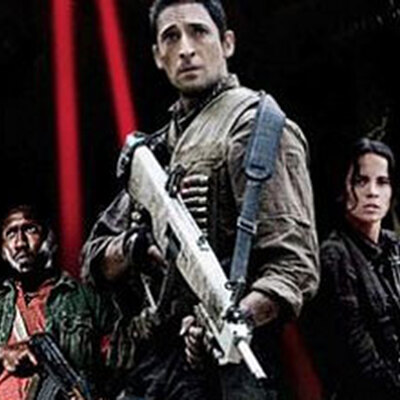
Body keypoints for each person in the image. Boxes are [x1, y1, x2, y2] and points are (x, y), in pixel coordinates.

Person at [81, 0, 319, 398]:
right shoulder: (157, 149)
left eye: (199, 31)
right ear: (158, 56)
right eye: (171, 37)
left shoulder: (255, 127)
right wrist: (135, 247)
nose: (186, 49)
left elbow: (293, 266)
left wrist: (234, 318)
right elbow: (92, 259)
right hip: (154, 361)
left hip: (228, 368)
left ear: (227, 43)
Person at [309, 138, 400, 399]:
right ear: (344, 188)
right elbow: (358, 359)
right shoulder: (335, 256)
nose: (372, 192)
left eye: (382, 182)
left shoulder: (393, 246)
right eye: (361, 181)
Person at [0, 205, 116, 399]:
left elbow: (121, 359)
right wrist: (4, 354)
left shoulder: (86, 298)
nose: (20, 243)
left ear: (49, 239)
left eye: (30, 229)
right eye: (11, 233)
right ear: (3, 250)